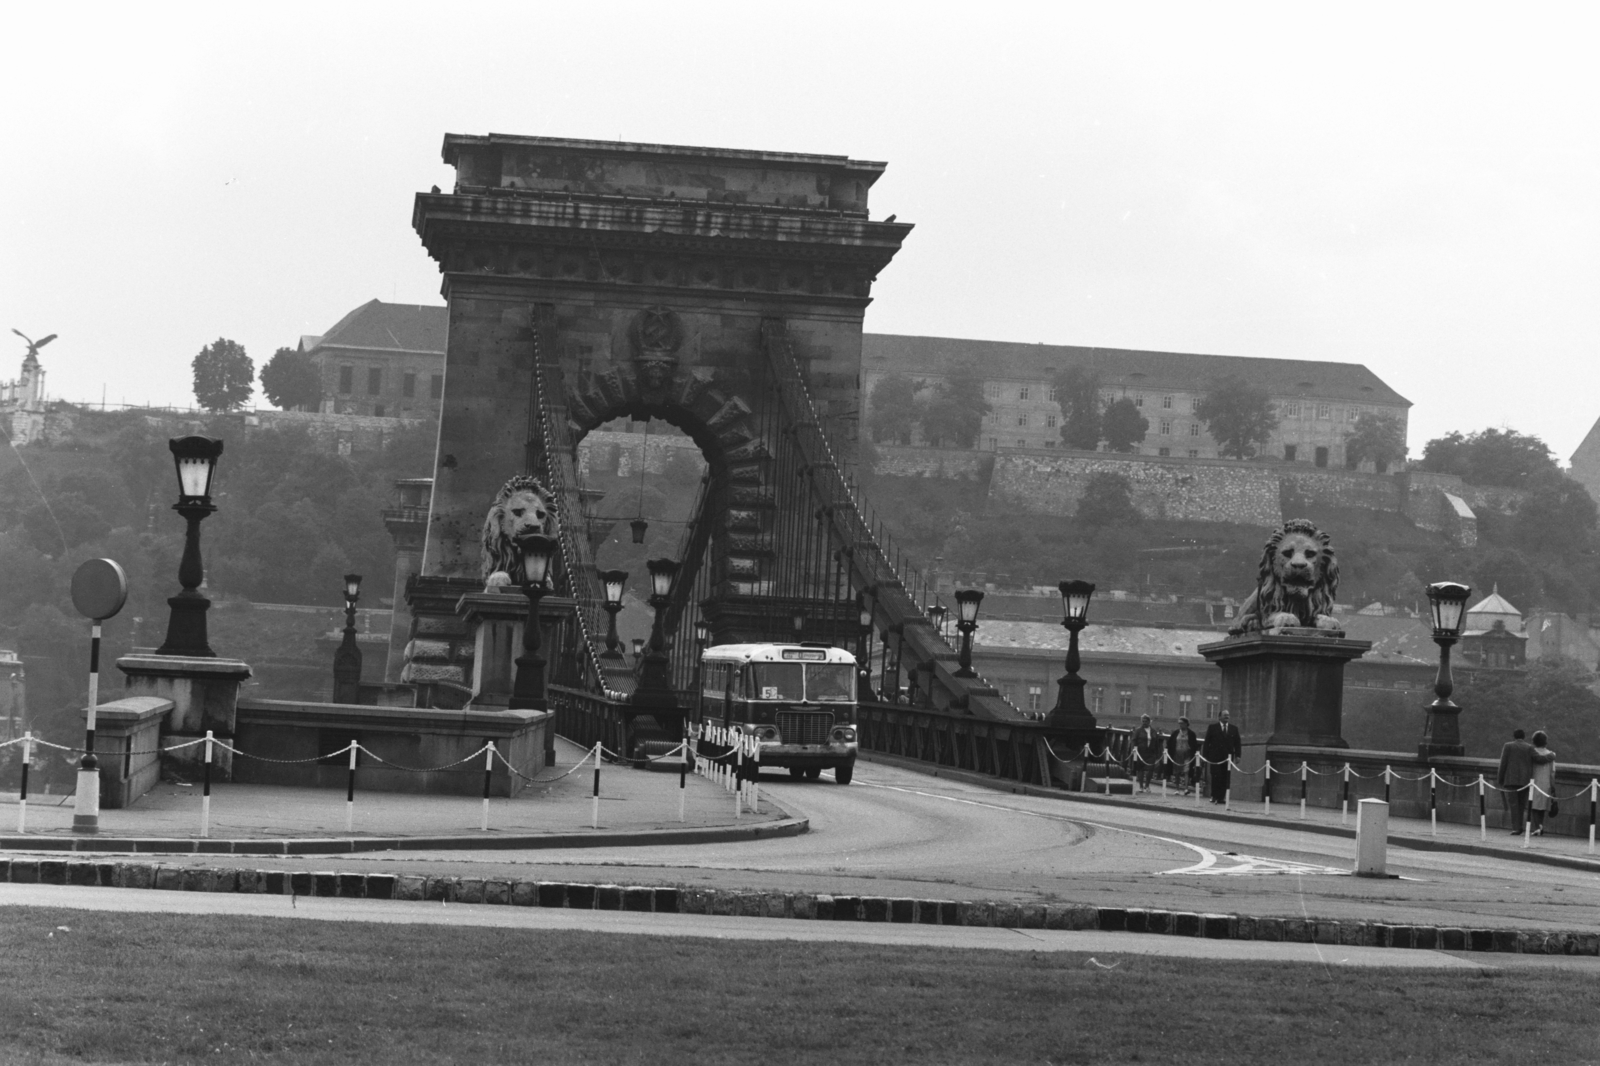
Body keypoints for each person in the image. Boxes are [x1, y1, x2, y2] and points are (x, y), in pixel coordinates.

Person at [1496, 728, 1536, 834]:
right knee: (1522, 805)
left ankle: (1516, 827)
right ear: (1523, 737)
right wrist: (1551, 756)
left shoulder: (1508, 746)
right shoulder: (1529, 747)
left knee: (1513, 805)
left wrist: (1500, 778)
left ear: (1514, 736)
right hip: (1525, 781)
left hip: (1510, 780)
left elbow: (1503, 763)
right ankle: (1520, 826)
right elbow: (1538, 758)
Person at [1201, 710, 1242, 805]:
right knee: (1216, 776)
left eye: (1228, 715)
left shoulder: (1233, 729)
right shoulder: (1212, 728)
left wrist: (1238, 755)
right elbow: (1207, 742)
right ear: (1219, 717)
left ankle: (1221, 797)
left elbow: (1237, 743)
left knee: (1225, 777)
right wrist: (1205, 756)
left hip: (1227, 757)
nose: (1227, 717)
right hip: (1215, 757)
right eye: (1224, 715)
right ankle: (1214, 795)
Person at [1528, 730, 1557, 836]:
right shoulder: (1551, 754)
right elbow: (1552, 772)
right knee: (1542, 807)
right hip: (1546, 783)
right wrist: (1553, 786)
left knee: (1534, 806)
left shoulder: (1531, 752)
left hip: (1533, 781)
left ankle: (1537, 827)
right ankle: (1540, 825)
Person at [1167, 716, 1199, 795]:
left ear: (1186, 724)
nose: (1180, 725)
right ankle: (1177, 788)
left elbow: (1194, 744)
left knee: (1186, 771)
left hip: (1187, 754)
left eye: (1182, 723)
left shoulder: (1191, 734)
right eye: (1179, 723)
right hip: (1177, 754)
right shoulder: (1175, 733)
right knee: (1177, 771)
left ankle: (1186, 788)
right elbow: (1170, 742)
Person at [1131, 714, 1161, 793]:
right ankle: (1141, 786)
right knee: (1141, 769)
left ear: (1149, 722)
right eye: (1143, 721)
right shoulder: (1138, 731)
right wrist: (1134, 750)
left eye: (1146, 721)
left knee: (1150, 769)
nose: (1144, 723)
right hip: (1140, 752)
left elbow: (1157, 743)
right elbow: (1134, 740)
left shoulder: (1153, 731)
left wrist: (1158, 754)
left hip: (1151, 753)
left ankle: (1147, 785)